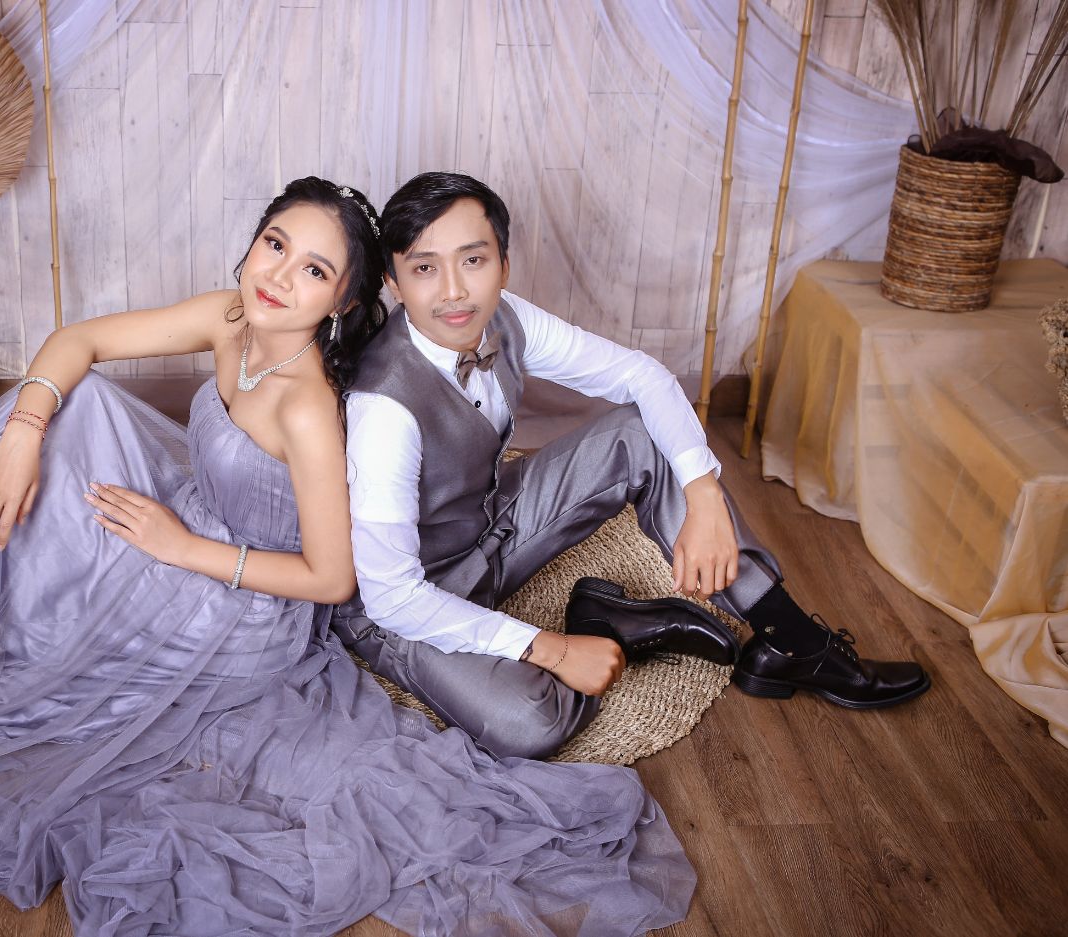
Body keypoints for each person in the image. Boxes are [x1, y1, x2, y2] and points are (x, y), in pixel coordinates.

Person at [0, 177, 695, 935]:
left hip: (240, 597)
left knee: (48, 592)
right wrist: (21, 429)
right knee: (64, 418)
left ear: (344, 299)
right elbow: (77, 340)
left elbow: (333, 580)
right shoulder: (231, 314)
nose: (279, 276)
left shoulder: (312, 410)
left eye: (313, 269)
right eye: (273, 245)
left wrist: (182, 546)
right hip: (193, 512)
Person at [334, 171, 931, 761]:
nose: (454, 291)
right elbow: (392, 598)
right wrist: (554, 648)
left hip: (491, 528)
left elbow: (640, 376)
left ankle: (790, 640)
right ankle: (604, 623)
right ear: (394, 282)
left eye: (473, 260)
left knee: (644, 433)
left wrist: (703, 494)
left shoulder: (503, 318)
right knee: (529, 723)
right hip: (410, 597)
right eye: (424, 268)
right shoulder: (383, 408)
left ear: (504, 265)